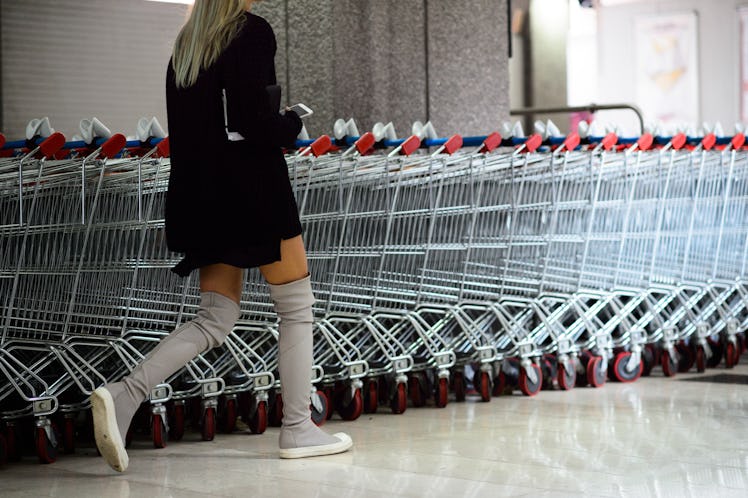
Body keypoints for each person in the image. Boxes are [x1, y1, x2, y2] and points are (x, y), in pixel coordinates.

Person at [90, 0, 352, 472]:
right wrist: (290, 123)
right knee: (295, 304)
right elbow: (253, 123)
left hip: (202, 196)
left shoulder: (186, 46)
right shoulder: (250, 32)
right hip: (254, 192)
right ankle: (297, 427)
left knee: (215, 316)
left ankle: (124, 394)